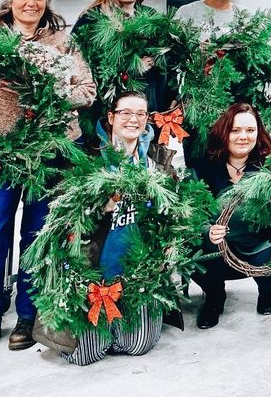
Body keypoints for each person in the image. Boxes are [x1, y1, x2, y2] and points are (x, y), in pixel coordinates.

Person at [0, 0, 96, 359]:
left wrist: (50, 84)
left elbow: (87, 92)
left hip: (49, 153)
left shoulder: (63, 42)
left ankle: (28, 319)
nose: (31, 3)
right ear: (9, 1)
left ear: (46, 2)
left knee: (37, 238)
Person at [57, 91, 174, 365]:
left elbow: (175, 214)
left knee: (136, 345)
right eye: (125, 113)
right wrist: (98, 206)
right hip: (93, 272)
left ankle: (134, 312)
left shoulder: (156, 161)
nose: (133, 120)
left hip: (137, 276)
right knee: (84, 355)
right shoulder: (86, 158)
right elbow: (62, 218)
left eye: (140, 114)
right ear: (111, 117)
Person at [189, 103, 271, 329]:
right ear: (225, 132)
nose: (243, 136)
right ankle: (214, 297)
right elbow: (192, 211)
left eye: (250, 130)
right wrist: (207, 231)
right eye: (235, 130)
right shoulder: (204, 167)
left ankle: (268, 289)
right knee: (194, 253)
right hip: (219, 248)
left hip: (258, 247)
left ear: (259, 133)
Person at [69, 0, 174, 130]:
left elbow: (167, 63)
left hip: (149, 113)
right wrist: (131, 66)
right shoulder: (91, 20)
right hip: (105, 114)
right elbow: (78, 67)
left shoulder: (152, 17)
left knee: (143, 157)